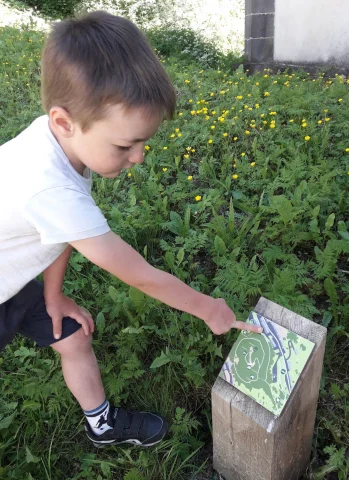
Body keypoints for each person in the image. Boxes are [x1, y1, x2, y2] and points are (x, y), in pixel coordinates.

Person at [0, 11, 262, 449]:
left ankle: (101, 425)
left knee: (72, 335)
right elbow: (138, 273)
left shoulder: (60, 143)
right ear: (65, 121)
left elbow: (58, 233)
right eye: (125, 145)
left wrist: (52, 296)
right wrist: (205, 308)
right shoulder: (48, 187)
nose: (138, 157)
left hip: (16, 273)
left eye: (143, 143)